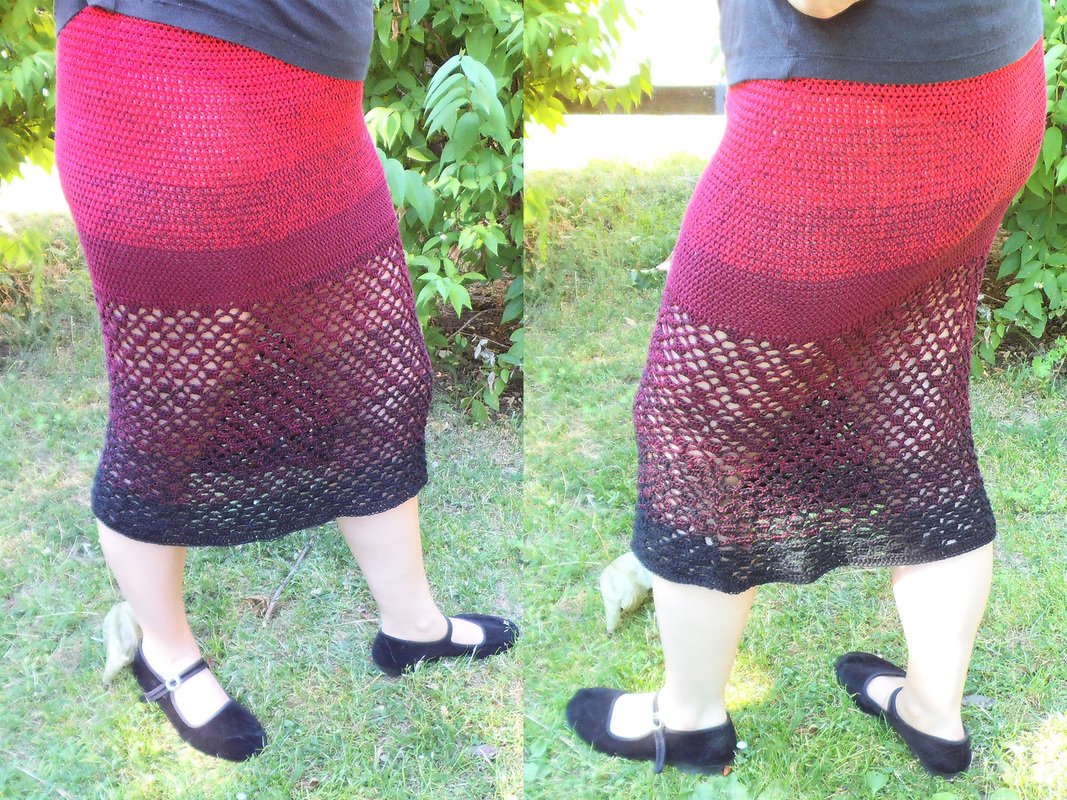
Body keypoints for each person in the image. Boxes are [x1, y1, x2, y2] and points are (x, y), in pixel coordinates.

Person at [565, 0, 1047, 778]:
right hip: (987, 87)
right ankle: (932, 715)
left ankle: (686, 720)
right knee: (916, 422)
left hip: (859, 110)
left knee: (697, 424)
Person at [52, 0, 518, 762]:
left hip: (318, 110)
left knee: (377, 384)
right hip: (169, 87)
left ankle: (411, 626)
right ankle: (166, 655)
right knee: (170, 414)